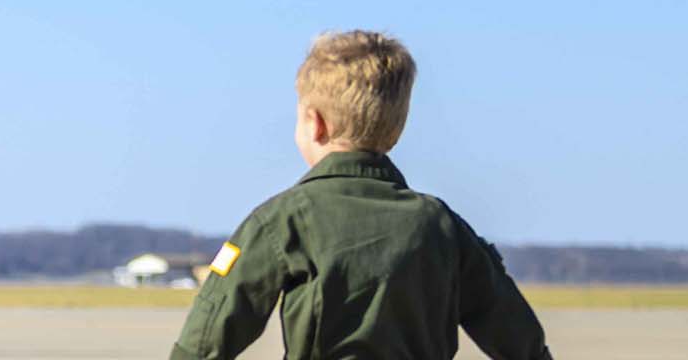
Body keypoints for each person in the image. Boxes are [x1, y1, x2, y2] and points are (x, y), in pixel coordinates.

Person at [170, 31, 552, 359]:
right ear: (397, 128)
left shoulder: (282, 221)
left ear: (315, 124)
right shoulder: (440, 224)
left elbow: (206, 340)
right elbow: (517, 336)